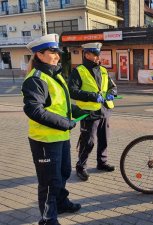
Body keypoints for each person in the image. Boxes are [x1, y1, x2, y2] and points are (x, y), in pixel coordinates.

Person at [22, 34, 83, 225]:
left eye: (58, 51)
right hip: (45, 141)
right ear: (39, 55)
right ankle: (48, 219)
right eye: (53, 51)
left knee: (63, 173)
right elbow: (34, 109)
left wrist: (81, 111)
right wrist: (66, 123)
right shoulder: (36, 79)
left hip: (60, 136)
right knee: (49, 182)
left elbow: (60, 106)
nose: (57, 55)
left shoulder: (54, 75)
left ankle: (61, 203)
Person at [68, 42, 117, 181]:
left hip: (104, 110)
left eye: (98, 54)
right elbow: (72, 91)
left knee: (104, 139)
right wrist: (93, 96)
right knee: (88, 142)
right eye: (95, 54)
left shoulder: (103, 70)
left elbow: (112, 87)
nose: (97, 57)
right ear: (87, 54)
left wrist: (111, 93)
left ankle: (102, 163)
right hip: (89, 112)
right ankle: (81, 167)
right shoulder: (78, 71)